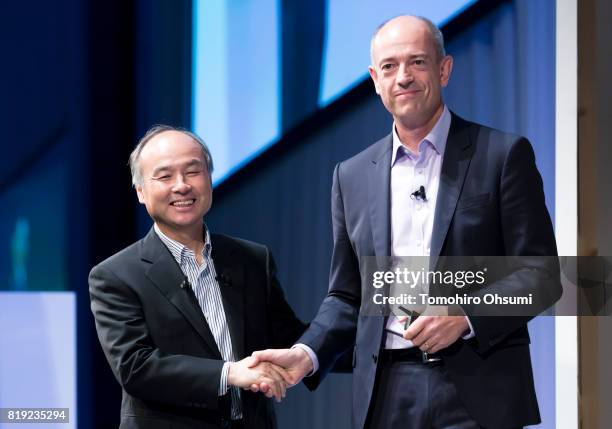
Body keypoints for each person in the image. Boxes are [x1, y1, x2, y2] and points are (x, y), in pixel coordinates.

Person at [250, 15, 562, 429]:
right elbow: (347, 297)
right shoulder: (352, 175)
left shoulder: (502, 155)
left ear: (444, 69)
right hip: (387, 391)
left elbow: (541, 277)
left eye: (417, 62)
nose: (403, 77)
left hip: (479, 389)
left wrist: (465, 315)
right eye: (390, 67)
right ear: (374, 80)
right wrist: (306, 355)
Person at [89, 125, 305, 429]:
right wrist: (230, 373)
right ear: (140, 191)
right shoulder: (115, 275)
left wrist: (379, 337)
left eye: (193, 172)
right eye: (165, 176)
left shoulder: (252, 259)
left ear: (209, 179)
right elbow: (135, 367)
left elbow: (291, 338)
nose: (181, 186)